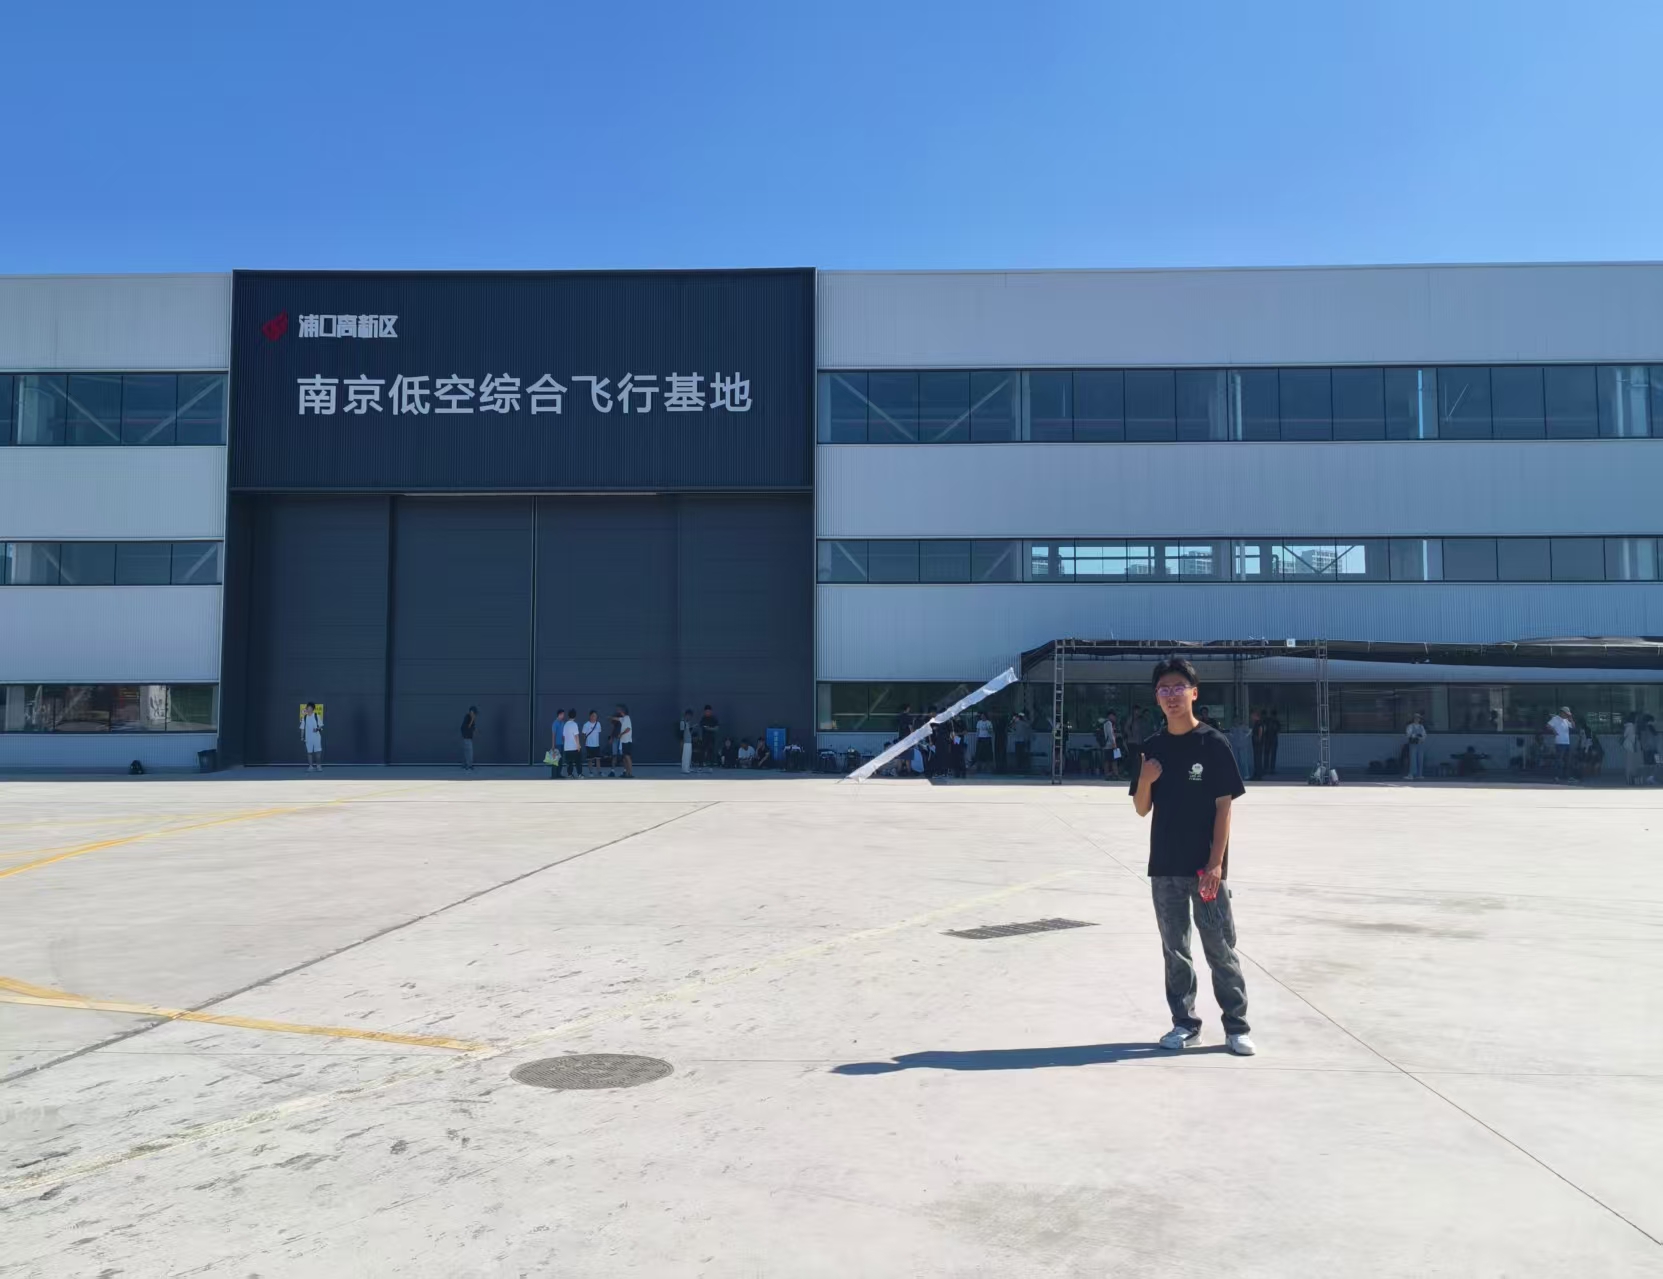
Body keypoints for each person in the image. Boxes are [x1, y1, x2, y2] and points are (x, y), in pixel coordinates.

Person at [1131, 657, 1254, 1056]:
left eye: (1178, 687)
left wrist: (1216, 864)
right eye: (1163, 689)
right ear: (1157, 697)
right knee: (1175, 950)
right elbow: (1142, 808)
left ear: (1194, 693)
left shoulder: (1213, 743)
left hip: (1205, 869)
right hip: (1165, 866)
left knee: (1220, 947)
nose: (1171, 695)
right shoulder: (1152, 748)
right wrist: (1145, 780)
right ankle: (1184, 1024)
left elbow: (1224, 807)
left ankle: (1236, 1026)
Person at [1546, 706, 1574, 782]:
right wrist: (1554, 730)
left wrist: (1571, 719)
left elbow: (1573, 726)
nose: (1567, 715)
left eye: (1568, 714)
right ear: (1562, 712)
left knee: (1567, 760)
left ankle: (1567, 776)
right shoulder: (1555, 719)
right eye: (1566, 714)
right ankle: (1556, 776)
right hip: (1560, 742)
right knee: (1558, 760)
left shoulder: (1566, 720)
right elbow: (1548, 725)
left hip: (1567, 742)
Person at [301, 703, 324, 771]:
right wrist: (302, 737)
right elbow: (302, 728)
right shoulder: (305, 717)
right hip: (308, 738)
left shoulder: (316, 716)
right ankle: (310, 766)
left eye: (310, 708)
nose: (308, 709)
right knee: (309, 752)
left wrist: (316, 729)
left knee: (318, 752)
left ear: (312, 709)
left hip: (317, 737)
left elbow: (321, 726)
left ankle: (318, 766)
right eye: (307, 708)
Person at [1404, 711, 1427, 781]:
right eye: (1416, 718)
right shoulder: (1410, 726)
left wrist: (1421, 738)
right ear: (1413, 719)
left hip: (1420, 744)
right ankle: (1411, 774)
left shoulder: (1421, 726)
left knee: (1420, 759)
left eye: (1418, 718)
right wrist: (1415, 736)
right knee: (1413, 759)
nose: (1417, 719)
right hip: (1413, 744)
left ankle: (1419, 774)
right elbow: (1408, 734)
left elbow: (1424, 735)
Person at [614, 703, 634, 778]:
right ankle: (626, 773)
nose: (618, 711)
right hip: (623, 741)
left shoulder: (627, 718)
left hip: (626, 741)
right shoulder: (623, 719)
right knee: (625, 758)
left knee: (627, 757)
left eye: (619, 709)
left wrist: (621, 734)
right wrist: (610, 718)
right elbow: (617, 719)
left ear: (623, 710)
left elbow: (628, 729)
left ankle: (630, 773)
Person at [698, 705, 720, 773]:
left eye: (708, 711)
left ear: (711, 711)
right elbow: (700, 727)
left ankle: (711, 767)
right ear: (704, 712)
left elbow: (716, 728)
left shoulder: (714, 719)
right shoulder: (703, 718)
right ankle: (700, 766)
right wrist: (700, 737)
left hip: (711, 739)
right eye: (706, 711)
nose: (707, 713)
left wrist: (709, 728)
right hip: (704, 738)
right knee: (702, 752)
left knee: (711, 752)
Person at [562, 708, 582, 778]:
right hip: (574, 747)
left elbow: (564, 736)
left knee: (569, 762)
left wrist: (565, 744)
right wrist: (578, 745)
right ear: (575, 716)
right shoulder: (574, 724)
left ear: (568, 715)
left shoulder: (565, 725)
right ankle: (579, 774)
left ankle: (569, 774)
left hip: (567, 747)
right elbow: (576, 735)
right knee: (578, 761)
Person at [584, 710, 604, 778]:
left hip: (596, 745)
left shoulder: (598, 724)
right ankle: (591, 772)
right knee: (590, 759)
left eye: (595, 716)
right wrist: (586, 742)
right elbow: (584, 734)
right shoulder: (586, 725)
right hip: (589, 745)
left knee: (598, 759)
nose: (594, 717)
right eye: (593, 716)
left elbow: (599, 732)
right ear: (590, 716)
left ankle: (599, 771)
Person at [1010, 712, 1031, 777]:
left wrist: (1024, 718)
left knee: (1022, 754)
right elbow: (1011, 728)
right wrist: (1012, 721)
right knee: (1017, 754)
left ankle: (1022, 767)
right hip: (1017, 740)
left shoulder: (1022, 723)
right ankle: (1018, 767)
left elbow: (1028, 725)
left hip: (1022, 740)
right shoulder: (1014, 723)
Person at [459, 706, 478, 772]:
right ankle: (469, 765)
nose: (473, 714)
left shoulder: (470, 717)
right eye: (472, 712)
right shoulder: (467, 717)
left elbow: (472, 727)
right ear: (471, 712)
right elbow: (468, 726)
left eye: (474, 713)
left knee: (467, 750)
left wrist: (475, 731)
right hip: (466, 736)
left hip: (468, 736)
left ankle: (466, 764)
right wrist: (472, 719)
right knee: (469, 751)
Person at [550, 709, 567, 779]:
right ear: (559, 715)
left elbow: (563, 734)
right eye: (562, 714)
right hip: (556, 744)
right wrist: (553, 745)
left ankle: (559, 774)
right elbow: (553, 734)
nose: (563, 716)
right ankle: (554, 775)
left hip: (562, 744)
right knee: (555, 760)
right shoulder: (555, 723)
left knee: (560, 760)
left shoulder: (562, 723)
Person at [677, 709, 696, 775]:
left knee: (688, 755)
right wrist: (682, 741)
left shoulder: (687, 722)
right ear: (687, 715)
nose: (690, 717)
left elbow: (687, 730)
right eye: (690, 716)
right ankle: (684, 769)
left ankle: (687, 767)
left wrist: (692, 727)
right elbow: (681, 732)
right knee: (685, 755)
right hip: (685, 741)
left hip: (689, 741)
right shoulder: (683, 722)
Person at [1249, 710, 1265, 781]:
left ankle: (1258, 775)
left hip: (1258, 744)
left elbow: (1260, 730)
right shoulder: (1256, 723)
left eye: (1252, 715)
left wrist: (1259, 738)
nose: (1251, 717)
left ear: (1256, 716)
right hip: (1256, 743)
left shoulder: (1259, 723)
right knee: (1256, 759)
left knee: (1258, 759)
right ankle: (1256, 774)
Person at [1264, 710, 1281, 776]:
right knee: (1272, 754)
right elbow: (1278, 730)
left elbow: (1264, 729)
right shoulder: (1276, 721)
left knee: (1267, 754)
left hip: (1268, 739)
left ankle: (1267, 768)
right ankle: (1271, 769)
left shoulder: (1267, 720)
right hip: (1273, 739)